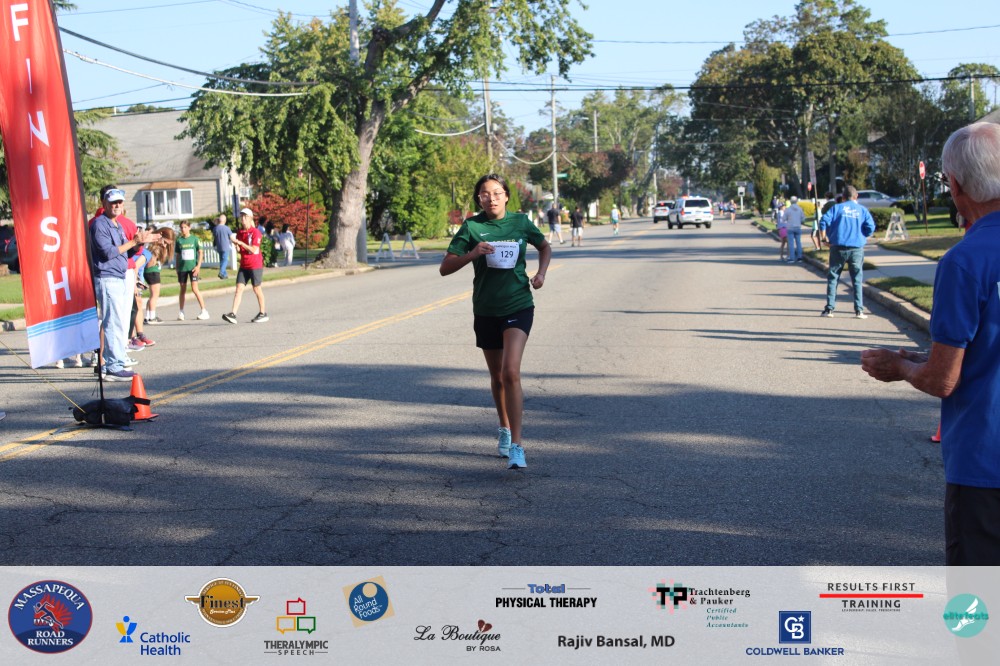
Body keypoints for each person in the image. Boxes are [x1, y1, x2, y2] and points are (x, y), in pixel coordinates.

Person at [860, 121, 1000, 565]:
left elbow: (943, 381)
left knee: (978, 603)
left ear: (955, 184)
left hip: (985, 466)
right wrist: (927, 356)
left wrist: (901, 366)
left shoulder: (965, 261)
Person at [439, 173, 551, 470]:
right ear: (479, 199)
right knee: (498, 377)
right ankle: (504, 427)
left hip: (518, 304)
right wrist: (473, 253)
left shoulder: (521, 222)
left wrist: (541, 274)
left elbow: (544, 246)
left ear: (506, 195)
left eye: (497, 193)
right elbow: (445, 267)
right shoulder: (472, 227)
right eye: (485, 194)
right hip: (486, 309)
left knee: (511, 371)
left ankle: (517, 446)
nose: (491, 198)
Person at [89, 187, 158, 381]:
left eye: (119, 202)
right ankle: (113, 366)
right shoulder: (100, 225)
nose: (117, 205)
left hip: (118, 276)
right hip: (107, 277)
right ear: (104, 203)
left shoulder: (116, 224)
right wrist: (133, 242)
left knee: (119, 322)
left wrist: (140, 243)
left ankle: (116, 362)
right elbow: (107, 253)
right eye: (113, 202)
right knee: (112, 322)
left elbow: (125, 252)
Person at [819, 185, 875, 318]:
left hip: (837, 246)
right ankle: (859, 310)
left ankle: (829, 309)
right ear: (856, 196)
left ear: (843, 197)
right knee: (857, 279)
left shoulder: (836, 208)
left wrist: (824, 238)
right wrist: (862, 234)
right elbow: (870, 227)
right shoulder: (862, 210)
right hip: (856, 248)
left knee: (833, 277)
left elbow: (823, 222)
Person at [223, 208, 268, 324]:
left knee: (256, 288)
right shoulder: (240, 232)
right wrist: (236, 244)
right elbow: (240, 250)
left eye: (245, 217)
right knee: (239, 288)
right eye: (242, 216)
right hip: (244, 265)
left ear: (250, 219)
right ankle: (233, 314)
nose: (243, 219)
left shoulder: (255, 232)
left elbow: (254, 249)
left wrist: (241, 243)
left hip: (255, 265)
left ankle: (263, 313)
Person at [175, 220, 210, 321]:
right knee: (182, 289)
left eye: (185, 227)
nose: (183, 229)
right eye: (181, 227)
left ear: (189, 228)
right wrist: (177, 268)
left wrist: (198, 266)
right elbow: (178, 255)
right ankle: (181, 312)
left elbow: (200, 252)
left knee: (195, 288)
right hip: (182, 268)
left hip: (193, 268)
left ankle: (204, 311)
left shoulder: (195, 239)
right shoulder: (179, 240)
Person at [143, 240, 166, 324]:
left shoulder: (149, 248)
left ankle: (148, 316)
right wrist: (164, 249)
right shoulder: (155, 248)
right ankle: (152, 317)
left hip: (148, 272)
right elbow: (160, 259)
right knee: (154, 296)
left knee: (151, 295)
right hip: (153, 272)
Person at [783, 196, 806, 262]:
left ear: (790, 202)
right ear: (796, 201)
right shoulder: (800, 209)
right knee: (798, 242)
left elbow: (784, 218)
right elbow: (803, 218)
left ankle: (792, 258)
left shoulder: (788, 209)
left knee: (791, 243)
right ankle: (799, 257)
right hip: (798, 227)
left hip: (790, 227)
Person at [212, 214, 232, 279]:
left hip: (219, 246)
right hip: (225, 246)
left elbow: (214, 236)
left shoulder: (215, 228)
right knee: (225, 260)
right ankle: (221, 272)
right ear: (225, 220)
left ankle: (224, 275)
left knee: (222, 260)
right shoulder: (227, 228)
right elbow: (231, 237)